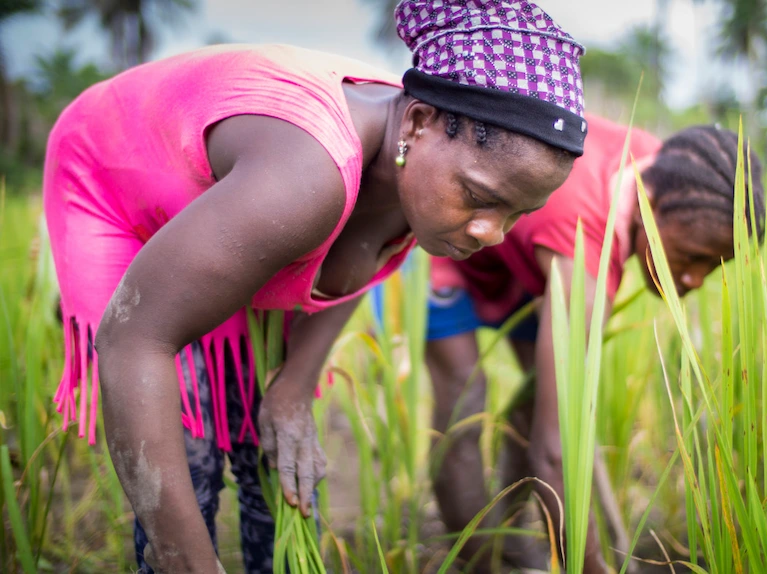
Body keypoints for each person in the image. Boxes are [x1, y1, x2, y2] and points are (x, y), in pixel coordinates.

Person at [43, 1, 588, 571]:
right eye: (480, 198)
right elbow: (134, 340)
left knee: (272, 450)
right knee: (192, 458)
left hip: (243, 208)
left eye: (516, 215)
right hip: (113, 170)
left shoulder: (421, 181)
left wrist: (295, 385)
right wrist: (183, 557)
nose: (492, 234)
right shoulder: (306, 179)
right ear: (418, 124)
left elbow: (349, 268)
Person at [425, 115, 765, 572]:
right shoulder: (583, 257)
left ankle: (506, 532)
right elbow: (557, 449)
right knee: (465, 401)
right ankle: (476, 562)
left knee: (538, 402)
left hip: (524, 255)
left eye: (715, 265)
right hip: (447, 236)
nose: (694, 280)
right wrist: (590, 564)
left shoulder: (672, 168)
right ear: (649, 204)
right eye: (692, 258)